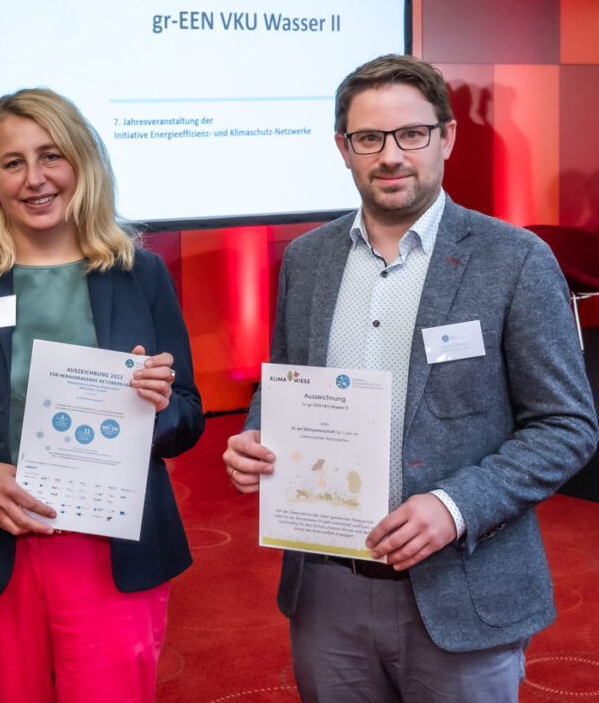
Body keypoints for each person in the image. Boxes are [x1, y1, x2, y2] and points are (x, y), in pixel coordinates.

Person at [223, 54, 598, 702]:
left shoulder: (514, 260)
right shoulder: (307, 261)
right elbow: (282, 384)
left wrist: (455, 507)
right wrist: (256, 436)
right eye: (369, 138)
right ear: (343, 148)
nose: (391, 155)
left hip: (463, 586)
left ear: (445, 137)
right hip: (327, 590)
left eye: (411, 134)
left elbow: (566, 426)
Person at [0, 87, 204, 703]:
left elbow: (188, 415)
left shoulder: (139, 273)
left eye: (51, 156)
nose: (35, 178)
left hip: (110, 547)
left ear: (81, 162)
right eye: (13, 163)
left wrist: (158, 407)